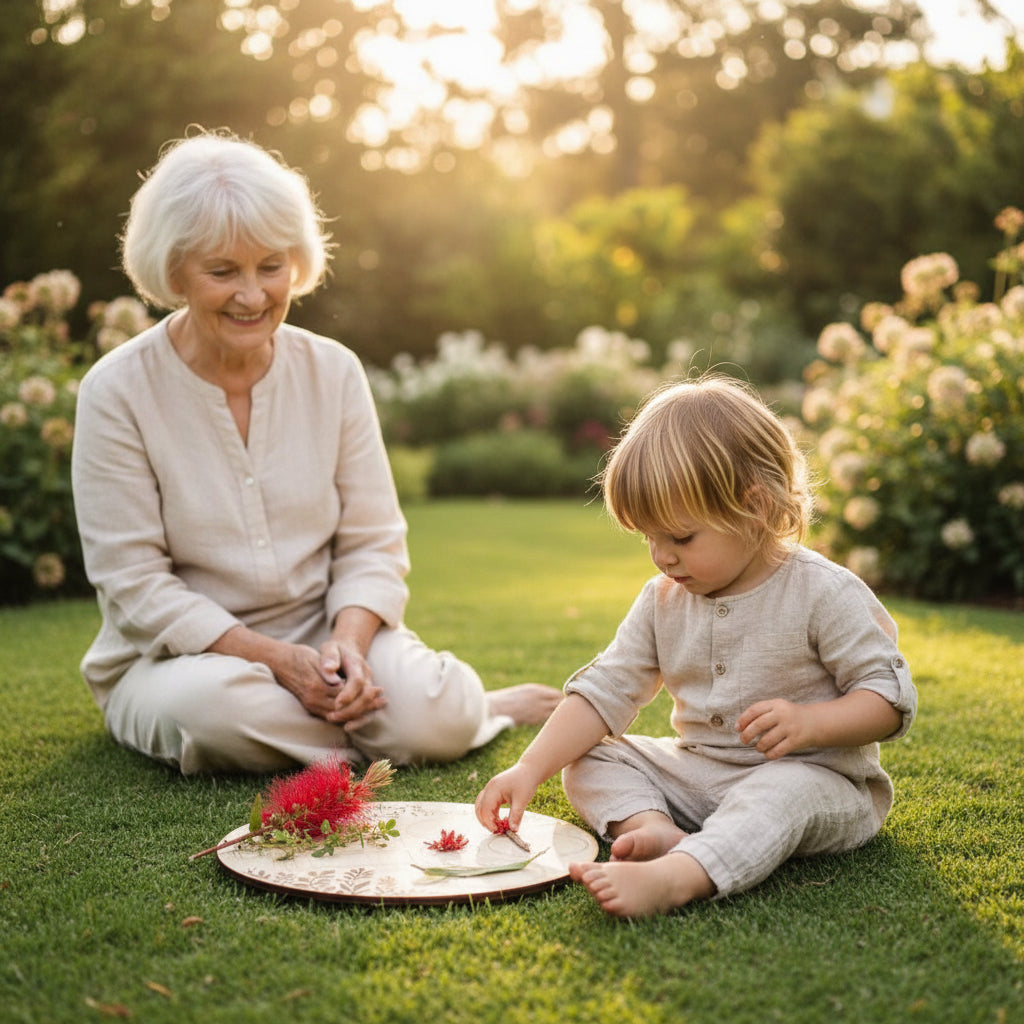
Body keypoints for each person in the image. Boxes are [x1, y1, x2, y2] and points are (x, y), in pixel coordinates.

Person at [71, 129, 560, 775]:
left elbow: (372, 542)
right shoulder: (116, 389)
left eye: (271, 266)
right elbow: (133, 582)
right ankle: (407, 730)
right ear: (173, 270)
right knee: (213, 715)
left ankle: (431, 716)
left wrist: (349, 648)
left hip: (328, 633)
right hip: (179, 662)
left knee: (421, 710)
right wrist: (275, 661)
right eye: (222, 272)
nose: (253, 296)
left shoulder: (333, 371)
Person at [475, 375, 917, 918]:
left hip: (819, 783)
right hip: (699, 773)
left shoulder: (823, 591)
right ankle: (653, 829)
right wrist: (527, 769)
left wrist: (811, 724)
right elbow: (606, 689)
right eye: (649, 538)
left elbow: (889, 699)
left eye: (681, 538)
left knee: (780, 791)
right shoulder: (663, 599)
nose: (662, 557)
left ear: (753, 508)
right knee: (589, 755)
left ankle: (681, 876)